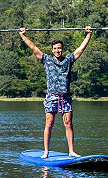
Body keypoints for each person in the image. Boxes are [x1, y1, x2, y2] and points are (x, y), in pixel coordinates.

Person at [19, 26, 92, 158]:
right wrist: (23, 36)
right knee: (49, 124)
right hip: (52, 97)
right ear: (52, 50)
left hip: (65, 97)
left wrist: (88, 35)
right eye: (55, 48)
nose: (57, 50)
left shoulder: (68, 60)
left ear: (62, 49)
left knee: (68, 124)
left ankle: (71, 151)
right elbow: (33, 48)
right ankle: (46, 152)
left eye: (59, 48)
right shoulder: (47, 60)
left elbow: (81, 49)